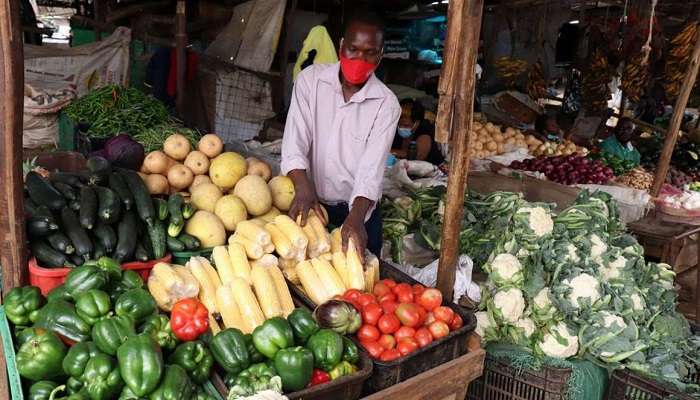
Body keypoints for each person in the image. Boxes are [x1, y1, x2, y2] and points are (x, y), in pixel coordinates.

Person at [281, 12, 400, 258]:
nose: (360, 58)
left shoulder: (386, 104)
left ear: (380, 55)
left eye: (369, 52)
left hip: (357, 212)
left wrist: (355, 218)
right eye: (354, 49)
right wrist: (302, 188)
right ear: (341, 46)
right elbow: (295, 141)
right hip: (311, 204)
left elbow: (371, 169)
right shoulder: (310, 82)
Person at [391, 99, 444, 165]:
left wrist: (388, 152)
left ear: (417, 123)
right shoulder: (394, 130)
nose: (401, 127)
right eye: (399, 124)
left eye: (406, 125)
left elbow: (417, 157)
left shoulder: (425, 133)